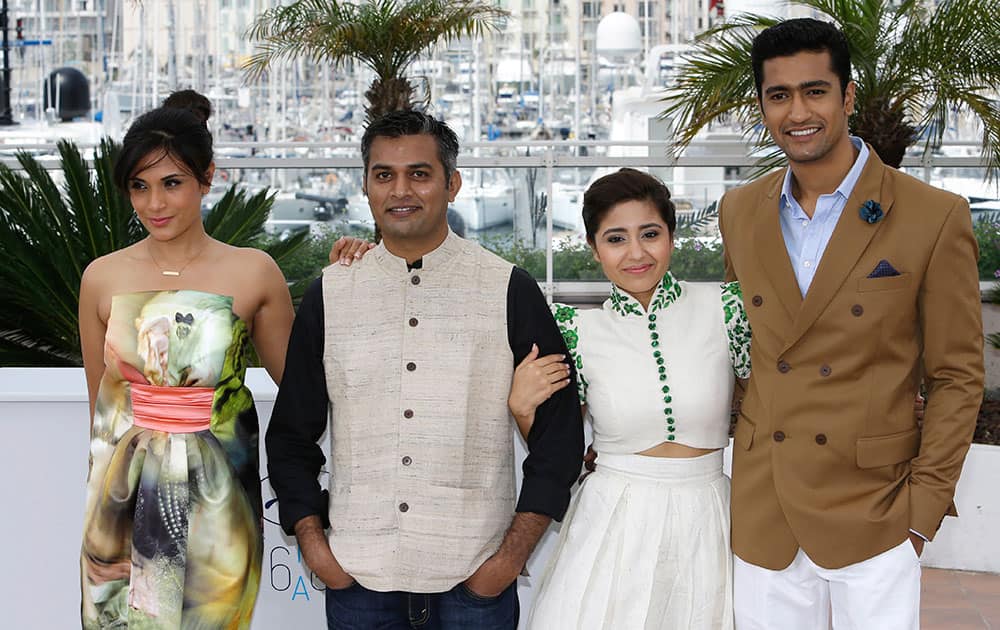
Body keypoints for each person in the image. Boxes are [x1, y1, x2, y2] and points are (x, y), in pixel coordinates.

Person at [265, 109, 584, 629]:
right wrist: (316, 548)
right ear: (366, 186)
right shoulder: (332, 292)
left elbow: (559, 435)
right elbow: (291, 434)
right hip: (359, 583)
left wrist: (508, 560)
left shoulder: (508, 287)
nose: (400, 190)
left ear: (452, 183)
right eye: (383, 175)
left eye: (419, 173)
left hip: (475, 582)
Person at [717, 18, 985, 629]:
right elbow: (742, 349)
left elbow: (958, 376)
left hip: (877, 511)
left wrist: (922, 511)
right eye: (778, 95)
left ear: (848, 95)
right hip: (766, 512)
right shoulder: (739, 210)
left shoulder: (932, 216)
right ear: (761, 104)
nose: (797, 111)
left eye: (815, 90)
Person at [505, 168, 750, 629]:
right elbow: (557, 450)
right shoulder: (576, 329)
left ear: (672, 238)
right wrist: (521, 408)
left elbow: (774, 399)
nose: (636, 253)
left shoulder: (726, 307)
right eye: (616, 239)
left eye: (650, 234)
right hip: (611, 518)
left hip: (711, 514)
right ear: (595, 249)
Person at [78, 106, 294, 628]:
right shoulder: (101, 279)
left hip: (219, 502)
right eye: (139, 185)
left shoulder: (253, 273)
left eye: (172, 182)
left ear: (207, 177)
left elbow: (302, 386)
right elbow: (102, 410)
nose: (155, 203)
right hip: (123, 502)